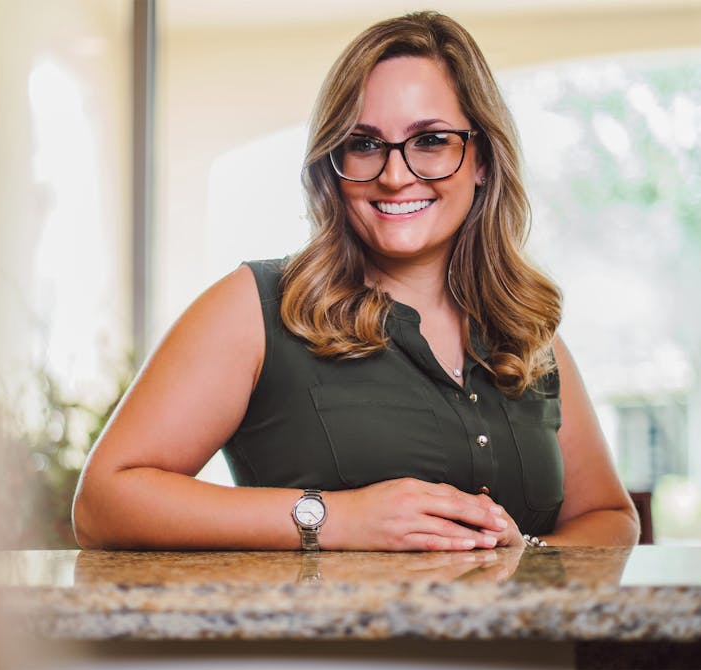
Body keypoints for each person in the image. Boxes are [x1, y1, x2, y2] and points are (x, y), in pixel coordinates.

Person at [72, 11, 639, 552]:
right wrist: (337, 517)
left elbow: (609, 518)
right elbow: (103, 501)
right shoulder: (256, 307)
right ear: (332, 162)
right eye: (364, 144)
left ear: (483, 159)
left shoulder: (528, 333)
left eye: (431, 140)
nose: (394, 175)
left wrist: (528, 556)